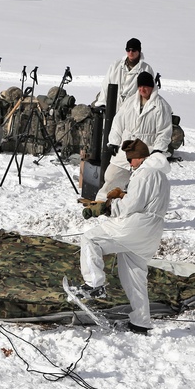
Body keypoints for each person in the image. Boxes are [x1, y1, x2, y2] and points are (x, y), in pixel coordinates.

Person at [77, 138, 171, 334]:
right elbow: (142, 200)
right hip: (151, 231)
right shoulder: (160, 176)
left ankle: (95, 284)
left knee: (90, 239)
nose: (129, 164)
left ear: (140, 157)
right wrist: (122, 195)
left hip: (135, 226)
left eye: (131, 159)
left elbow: (131, 207)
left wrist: (106, 207)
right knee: (134, 275)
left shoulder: (144, 173)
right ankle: (141, 321)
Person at [94, 70, 173, 201]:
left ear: (152, 87)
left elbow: (164, 132)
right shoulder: (130, 102)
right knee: (111, 176)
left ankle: (136, 207)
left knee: (141, 185)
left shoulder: (161, 106)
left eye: (146, 86)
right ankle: (101, 204)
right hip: (126, 150)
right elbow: (118, 123)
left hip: (145, 153)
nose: (143, 89)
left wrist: (158, 150)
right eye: (140, 86)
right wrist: (113, 141)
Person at [91, 38, 155, 108]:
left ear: (139, 51)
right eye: (128, 50)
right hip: (113, 107)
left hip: (133, 109)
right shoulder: (115, 65)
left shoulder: (146, 69)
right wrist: (102, 103)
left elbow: (150, 91)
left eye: (133, 50)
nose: (130, 52)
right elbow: (105, 85)